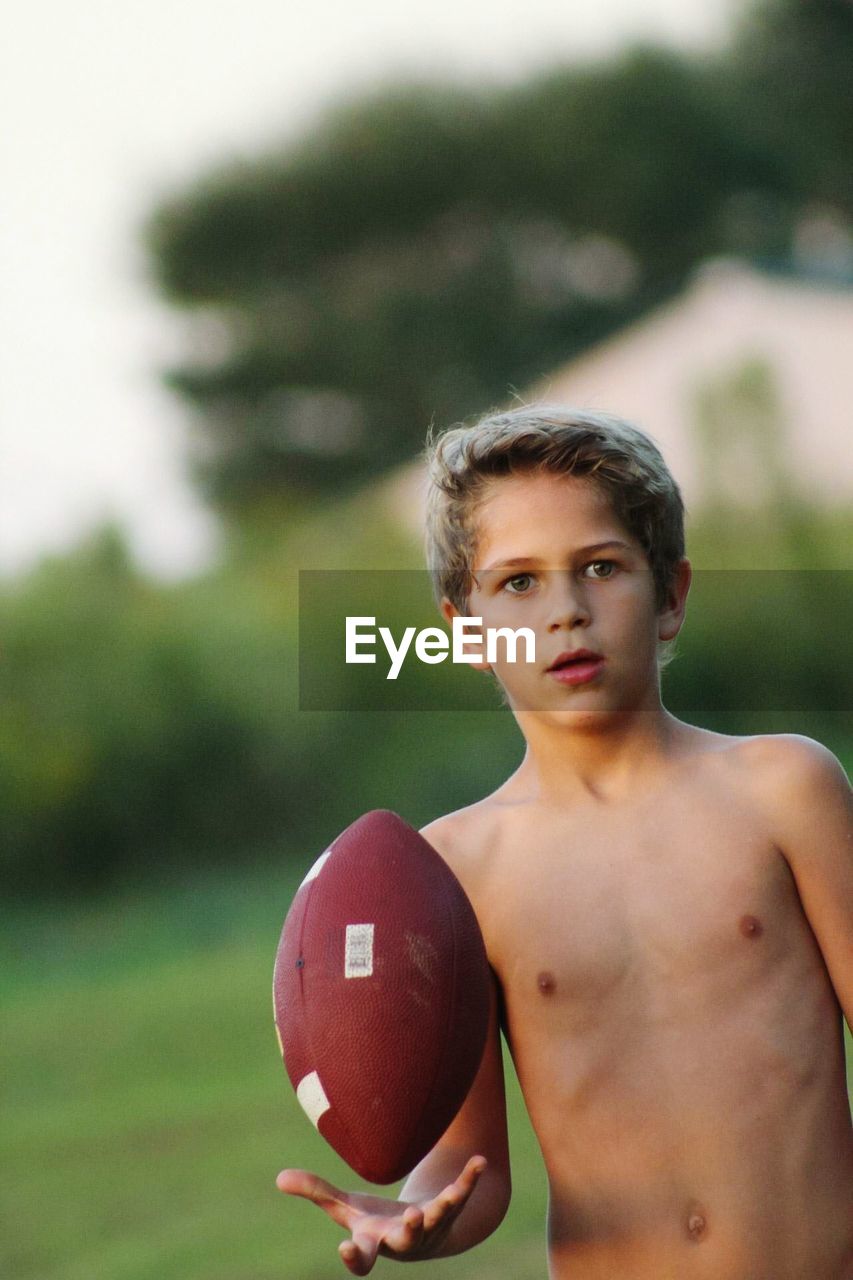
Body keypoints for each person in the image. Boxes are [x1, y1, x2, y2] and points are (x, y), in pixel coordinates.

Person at [277, 406, 853, 1278]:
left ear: (669, 596)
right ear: (465, 630)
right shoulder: (453, 873)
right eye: (517, 584)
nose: (566, 612)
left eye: (600, 567)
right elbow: (472, 1169)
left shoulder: (783, 791)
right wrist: (416, 1213)